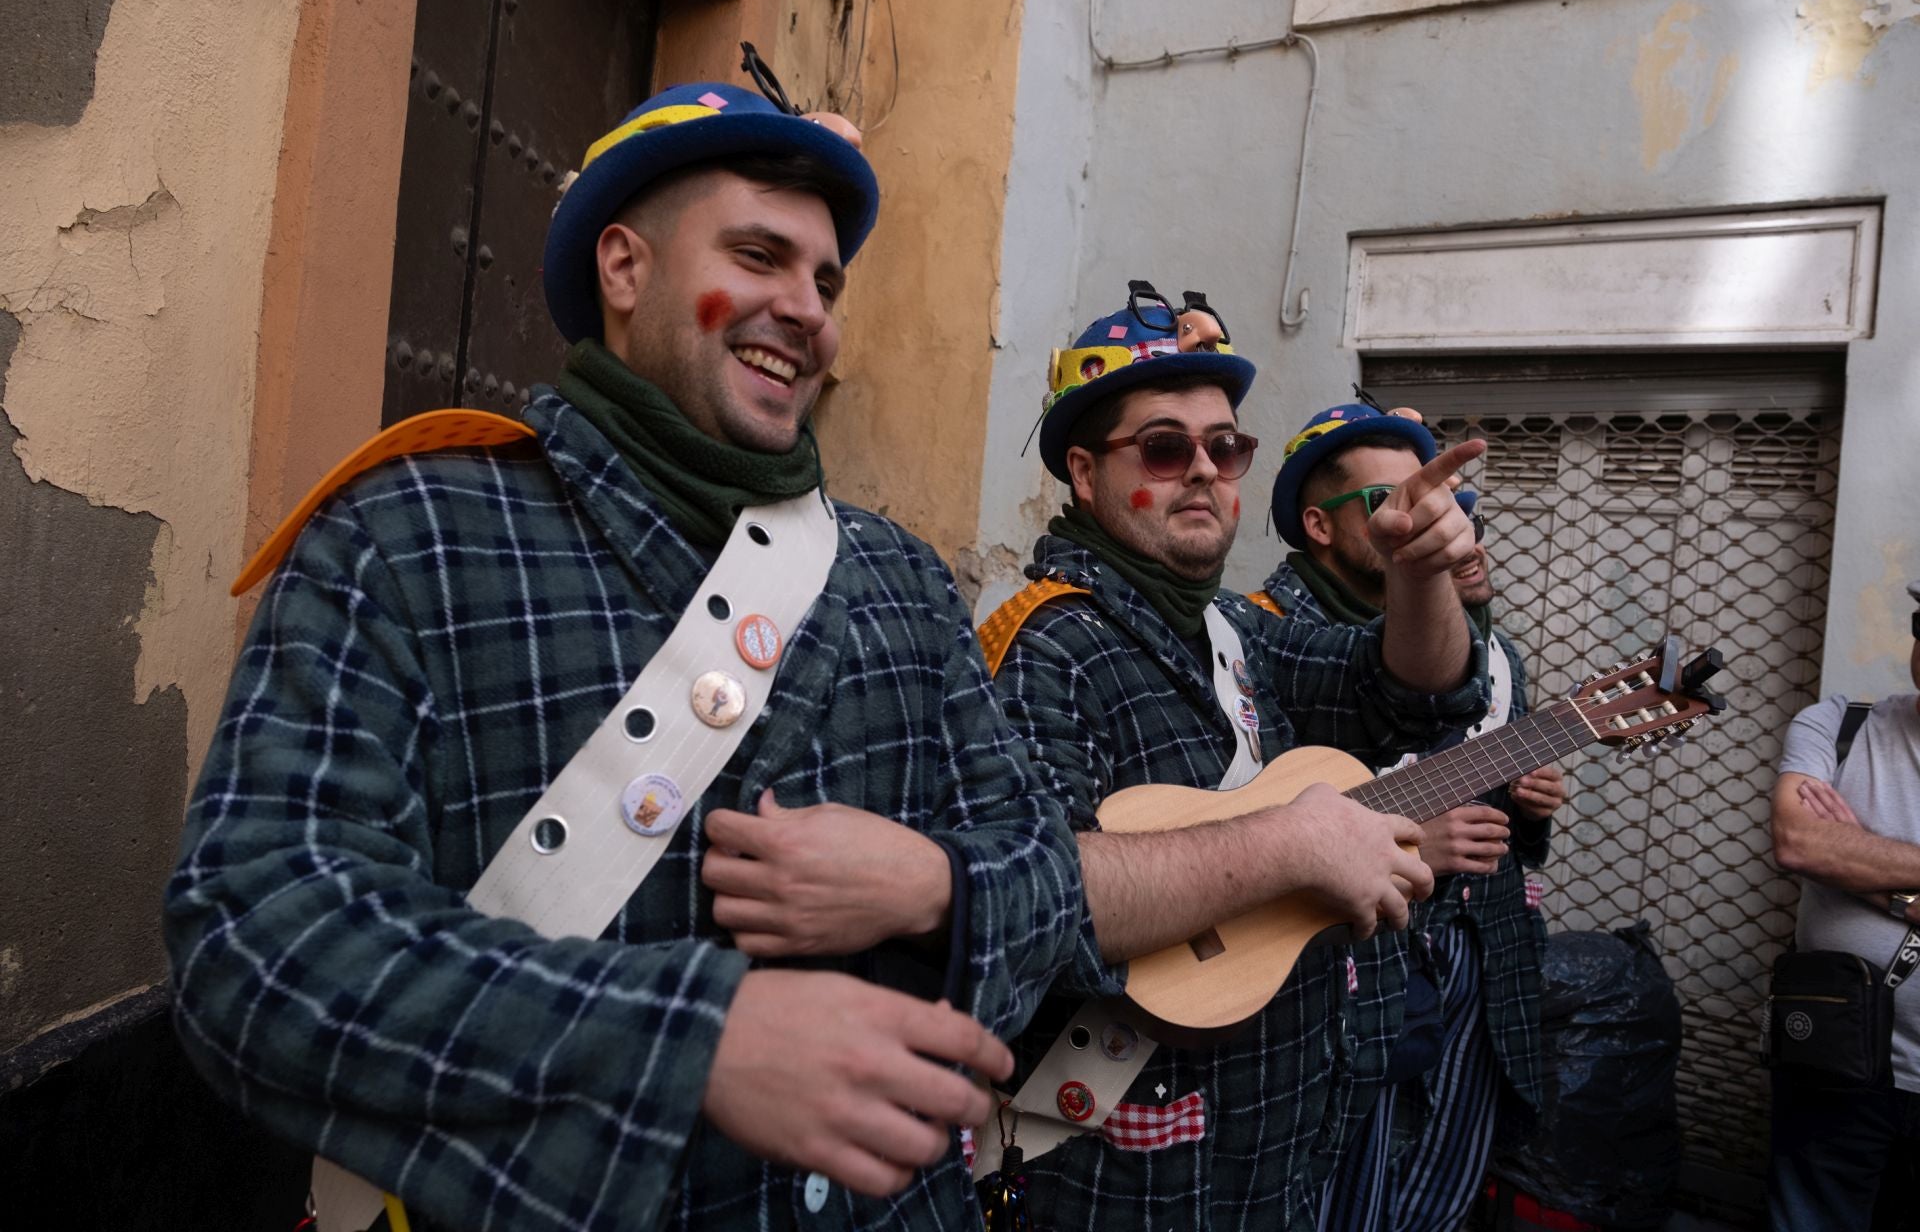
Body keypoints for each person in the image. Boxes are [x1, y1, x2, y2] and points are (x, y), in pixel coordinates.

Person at [162, 80, 1084, 1231]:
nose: (809, 311)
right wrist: (690, 1041)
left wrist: (936, 885)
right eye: (759, 255)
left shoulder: (902, 575)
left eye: (828, 280)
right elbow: (256, 929)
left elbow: (1050, 873)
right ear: (625, 268)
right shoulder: (405, 536)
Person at [980, 283, 1490, 1230]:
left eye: (1227, 447)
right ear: (1086, 476)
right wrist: (1289, 844)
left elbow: (1407, 690)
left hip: (1273, 1145)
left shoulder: (1237, 633)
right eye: (1166, 448)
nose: (1206, 471)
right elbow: (1037, 902)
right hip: (1129, 1171)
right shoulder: (1041, 647)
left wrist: (1421, 574)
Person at [1256, 405, 1566, 1232]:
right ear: (1318, 526)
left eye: (1448, 506)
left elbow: (1500, 817)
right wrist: (1405, 838)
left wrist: (1528, 807)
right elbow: (1246, 815)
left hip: (1475, 946)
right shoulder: (1272, 634)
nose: (1424, 518)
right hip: (1352, 965)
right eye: (1386, 501)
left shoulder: (1488, 654)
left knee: (1439, 1174)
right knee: (1336, 1180)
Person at [1767, 578, 1920, 1232]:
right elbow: (1799, 841)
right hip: (1837, 1061)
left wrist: (1856, 852)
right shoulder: (1837, 725)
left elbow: (1828, 850)